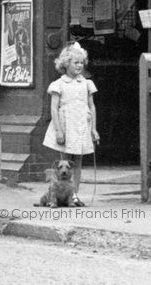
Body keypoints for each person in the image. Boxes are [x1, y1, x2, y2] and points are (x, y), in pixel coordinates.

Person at [42, 42, 100, 206]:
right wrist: (59, 131)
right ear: (66, 64)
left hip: (81, 126)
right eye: (76, 62)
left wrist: (94, 129)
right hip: (67, 126)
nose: (80, 66)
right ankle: (59, 194)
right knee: (65, 160)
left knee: (78, 162)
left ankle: (74, 195)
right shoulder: (59, 84)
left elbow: (92, 106)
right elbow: (54, 108)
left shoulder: (86, 83)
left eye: (82, 63)